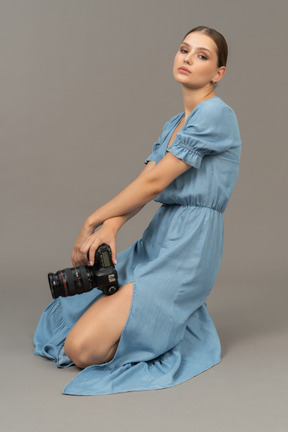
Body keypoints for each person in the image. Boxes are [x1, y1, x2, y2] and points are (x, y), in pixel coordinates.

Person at [34, 26, 241, 395]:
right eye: (184, 49)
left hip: (190, 246)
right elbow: (144, 182)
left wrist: (92, 220)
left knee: (81, 348)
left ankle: (174, 324)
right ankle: (161, 319)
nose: (188, 58)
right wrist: (111, 228)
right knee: (66, 314)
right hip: (161, 234)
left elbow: (154, 185)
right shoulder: (174, 124)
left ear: (218, 73)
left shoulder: (216, 115)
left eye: (202, 55)